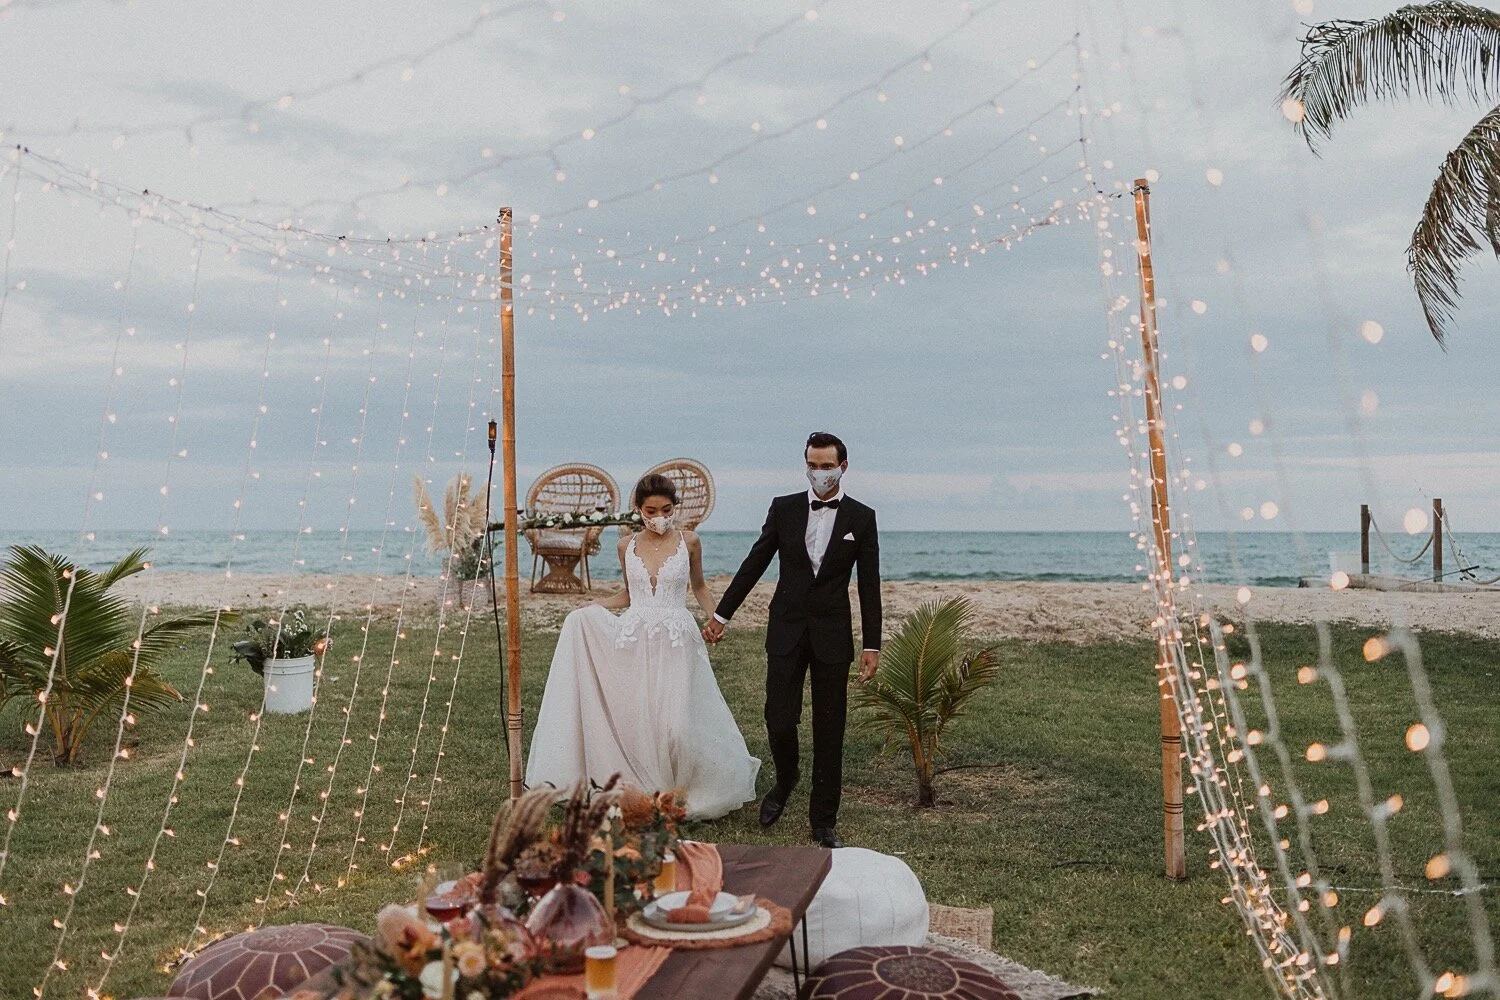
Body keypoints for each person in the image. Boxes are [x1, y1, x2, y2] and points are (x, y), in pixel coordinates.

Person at [524, 473, 759, 820]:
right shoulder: (626, 546)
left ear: (674, 508)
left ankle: (681, 785)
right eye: (651, 511)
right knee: (641, 718)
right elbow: (628, 594)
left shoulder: (690, 541)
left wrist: (716, 618)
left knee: (675, 725)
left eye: (666, 510)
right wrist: (593, 607)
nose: (659, 517)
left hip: (676, 638)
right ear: (638, 509)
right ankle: (650, 790)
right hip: (636, 637)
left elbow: (699, 587)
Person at [703, 432, 881, 849]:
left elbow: (869, 584)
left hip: (832, 634)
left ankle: (823, 818)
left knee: (829, 727)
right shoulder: (783, 509)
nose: (820, 473)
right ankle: (786, 779)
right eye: (813, 466)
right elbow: (755, 562)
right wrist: (721, 614)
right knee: (779, 717)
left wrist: (872, 644)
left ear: (843, 467)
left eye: (827, 466)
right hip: (786, 629)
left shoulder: (861, 517)